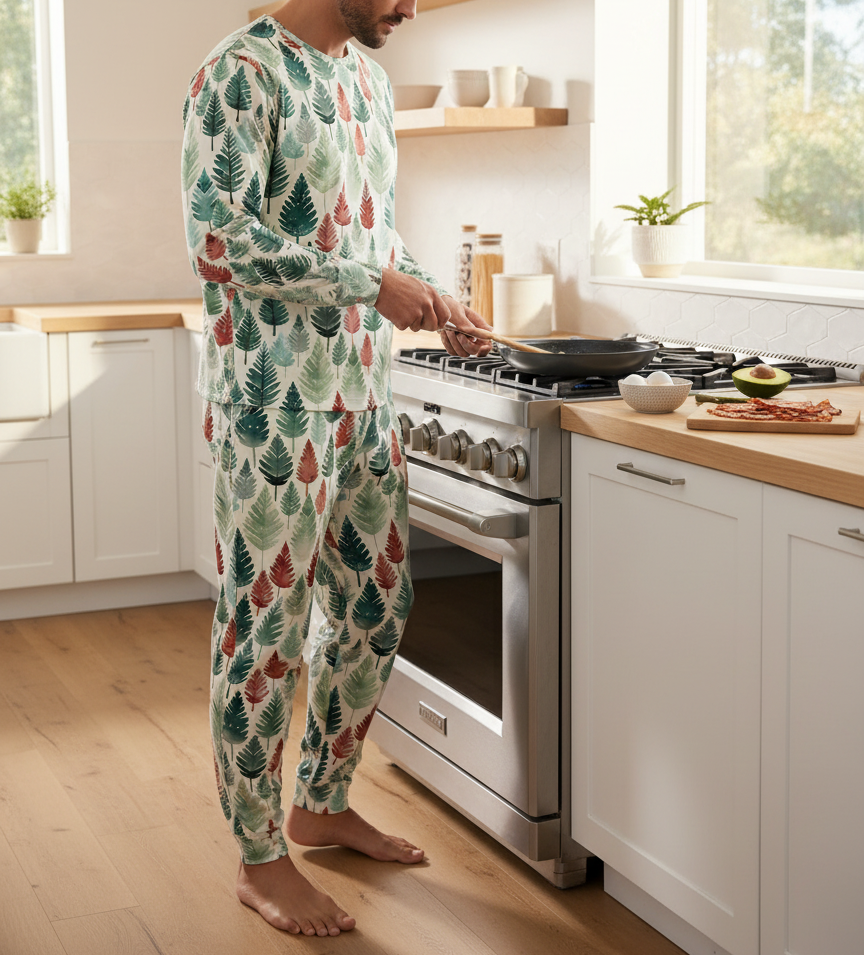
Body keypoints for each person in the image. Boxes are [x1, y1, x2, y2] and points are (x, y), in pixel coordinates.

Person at [180, 0, 492, 938]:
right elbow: (217, 238)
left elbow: (372, 234)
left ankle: (321, 800)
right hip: (272, 403)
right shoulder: (239, 72)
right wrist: (372, 284)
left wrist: (429, 295)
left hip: (363, 392)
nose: (409, 8)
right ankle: (260, 855)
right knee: (265, 626)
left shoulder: (368, 80)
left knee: (376, 604)